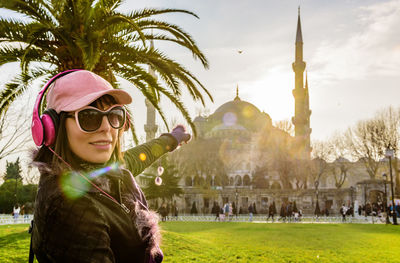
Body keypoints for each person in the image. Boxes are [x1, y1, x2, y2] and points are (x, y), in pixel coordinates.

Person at [30, 70, 190, 263]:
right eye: (89, 116)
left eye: (114, 116)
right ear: (53, 127)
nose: (107, 127)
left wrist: (170, 140)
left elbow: (137, 157)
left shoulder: (100, 174)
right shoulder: (69, 206)